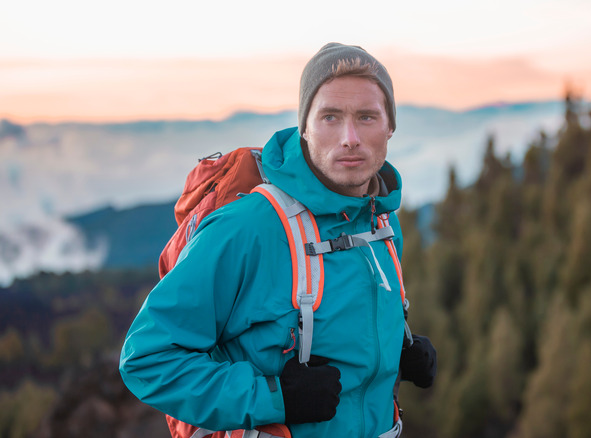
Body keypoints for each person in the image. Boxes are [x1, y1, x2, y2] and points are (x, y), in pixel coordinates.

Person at [119, 43, 437, 438]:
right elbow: (147, 359)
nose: (350, 137)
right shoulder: (249, 227)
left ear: (390, 127)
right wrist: (272, 398)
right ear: (305, 127)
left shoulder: (381, 223)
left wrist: (394, 350)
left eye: (367, 117)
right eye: (330, 117)